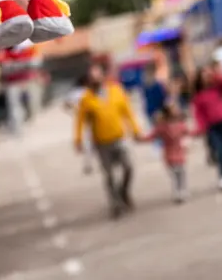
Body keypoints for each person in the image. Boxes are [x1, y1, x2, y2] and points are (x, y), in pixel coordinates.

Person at [74, 63, 142, 217]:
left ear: (103, 77)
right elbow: (80, 121)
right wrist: (78, 140)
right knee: (109, 175)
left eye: (97, 76)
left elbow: (128, 112)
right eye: (92, 77)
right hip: (101, 142)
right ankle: (115, 204)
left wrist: (136, 130)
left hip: (119, 137)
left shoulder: (116, 91)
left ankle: (124, 192)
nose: (95, 80)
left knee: (128, 167)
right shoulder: (86, 99)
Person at [192, 61, 222, 192]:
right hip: (212, 127)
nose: (206, 77)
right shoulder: (198, 97)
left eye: (208, 74)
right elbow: (198, 114)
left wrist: (215, 75)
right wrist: (201, 128)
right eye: (203, 75)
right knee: (220, 150)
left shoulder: (218, 87)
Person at [138, 101, 190, 203]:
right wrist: (140, 139)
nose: (176, 110)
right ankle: (177, 191)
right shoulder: (162, 127)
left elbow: (188, 132)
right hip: (169, 153)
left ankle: (181, 190)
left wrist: (199, 131)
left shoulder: (180, 124)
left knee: (181, 171)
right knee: (175, 172)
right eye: (174, 109)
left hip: (179, 151)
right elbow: (151, 136)